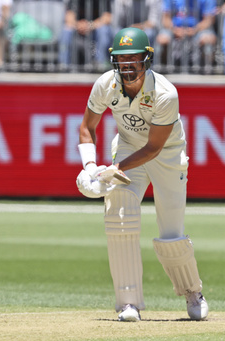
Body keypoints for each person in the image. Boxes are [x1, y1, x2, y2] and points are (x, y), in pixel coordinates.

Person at [75, 27, 208, 322]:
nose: (127, 65)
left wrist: (114, 170)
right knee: (118, 216)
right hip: (127, 147)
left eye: (133, 57)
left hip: (167, 155)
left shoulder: (165, 93)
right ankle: (128, 303)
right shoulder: (105, 85)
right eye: (121, 59)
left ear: (146, 59)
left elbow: (154, 148)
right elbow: (87, 128)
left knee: (171, 233)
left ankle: (192, 292)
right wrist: (89, 168)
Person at [155, 0, 217, 71]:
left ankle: (206, 71)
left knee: (209, 39)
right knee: (162, 39)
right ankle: (164, 71)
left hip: (198, 30)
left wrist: (195, 30)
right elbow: (165, 19)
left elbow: (209, 20)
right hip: (174, 29)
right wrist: (175, 30)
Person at [59, 0, 113, 71]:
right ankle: (63, 64)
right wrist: (78, 25)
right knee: (66, 30)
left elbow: (107, 18)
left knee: (103, 30)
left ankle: (100, 64)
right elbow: (69, 17)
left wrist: (90, 25)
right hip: (78, 30)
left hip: (95, 30)